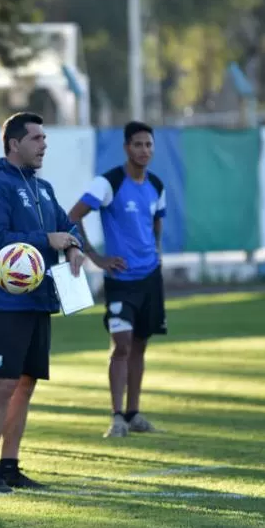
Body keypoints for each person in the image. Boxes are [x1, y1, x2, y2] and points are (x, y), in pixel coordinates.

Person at [0, 112, 85, 493]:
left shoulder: (44, 187)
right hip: (4, 302)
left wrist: (73, 247)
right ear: (14, 143)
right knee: (2, 384)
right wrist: (46, 240)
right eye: (36, 138)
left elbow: (66, 226)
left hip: (39, 300)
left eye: (45, 139)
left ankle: (10, 465)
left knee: (25, 385)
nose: (43, 145)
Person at [68, 121, 167, 438]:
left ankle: (134, 413)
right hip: (121, 280)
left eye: (149, 145)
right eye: (138, 144)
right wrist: (96, 258)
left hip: (150, 278)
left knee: (140, 344)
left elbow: (156, 223)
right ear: (127, 148)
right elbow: (73, 217)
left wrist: (156, 253)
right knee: (121, 345)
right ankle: (116, 417)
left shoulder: (157, 185)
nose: (144, 150)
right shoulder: (108, 182)